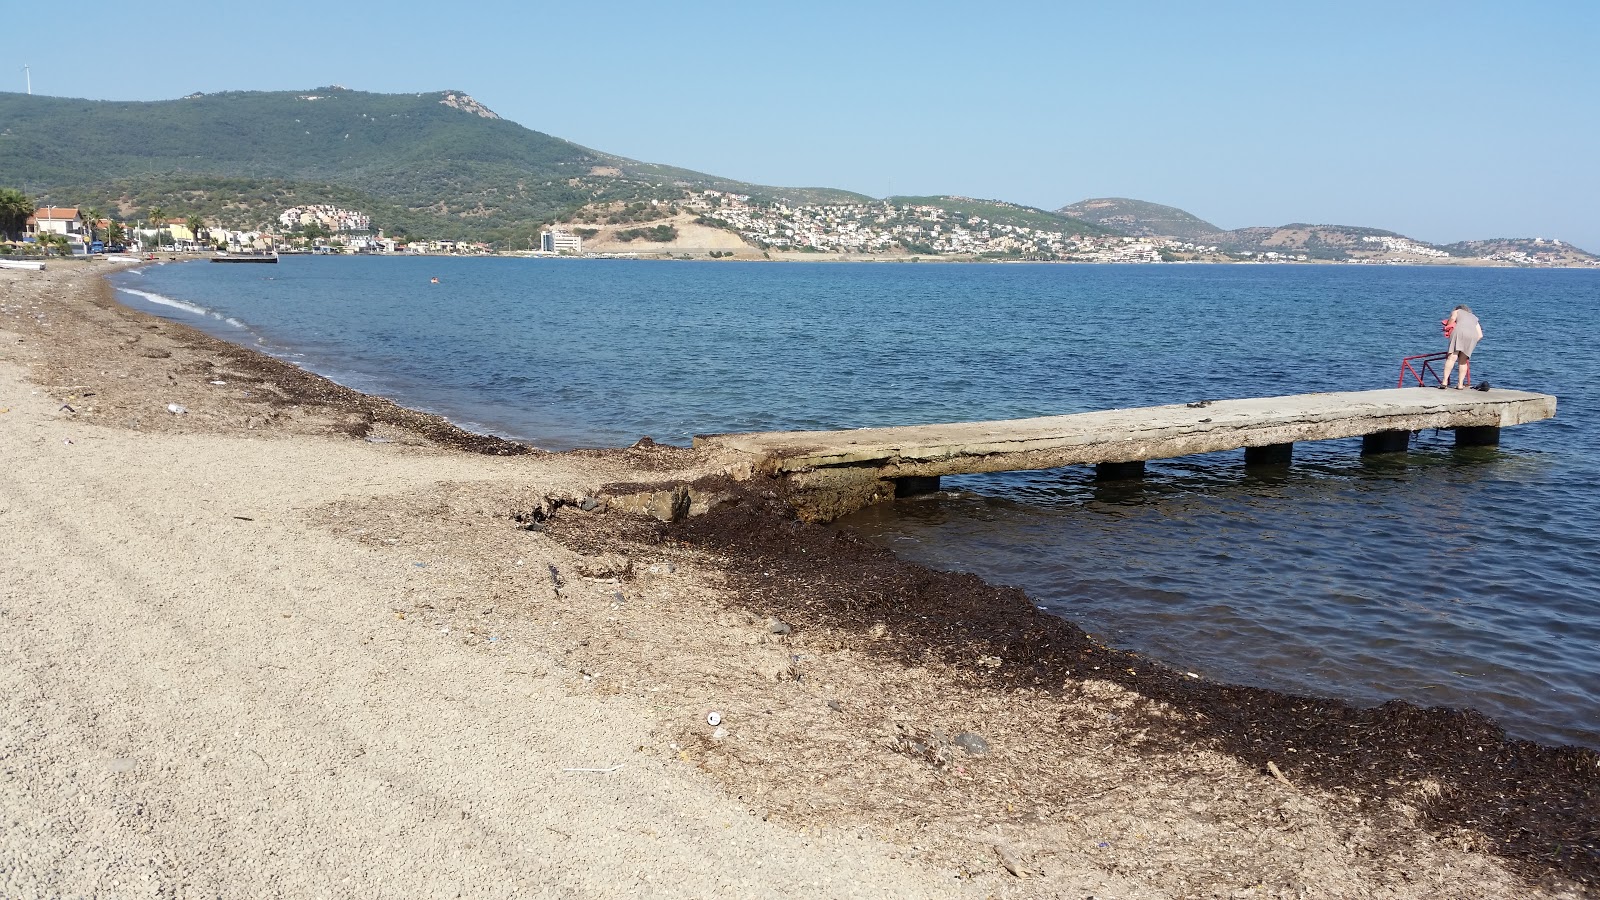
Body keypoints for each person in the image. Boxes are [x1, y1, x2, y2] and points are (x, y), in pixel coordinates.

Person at [1438, 304, 1483, 389]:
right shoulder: (1474, 317)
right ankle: (1460, 384)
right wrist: (1471, 343)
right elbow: (1480, 335)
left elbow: (1452, 319)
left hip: (1459, 332)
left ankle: (1444, 382)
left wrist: (1447, 327)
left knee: (1452, 357)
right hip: (1472, 336)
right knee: (1463, 361)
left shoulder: (1456, 311)